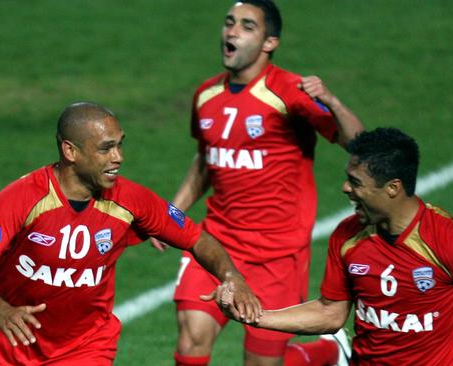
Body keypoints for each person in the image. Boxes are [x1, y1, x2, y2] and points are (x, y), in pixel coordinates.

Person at [0, 102, 262, 365]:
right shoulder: (24, 198)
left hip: (87, 346)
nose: (118, 157)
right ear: (70, 151)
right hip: (13, 348)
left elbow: (197, 238)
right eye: (106, 148)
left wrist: (232, 275)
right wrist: (1, 310)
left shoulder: (131, 200)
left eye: (120, 144)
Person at [150, 1, 364, 365]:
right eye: (230, 23)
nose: (232, 31)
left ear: (270, 43)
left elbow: (358, 144)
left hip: (278, 254)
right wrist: (173, 212)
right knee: (191, 338)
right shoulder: (206, 94)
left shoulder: (290, 91)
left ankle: (328, 351)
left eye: (247, 26)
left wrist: (332, 101)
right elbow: (206, 160)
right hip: (216, 242)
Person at [219, 127, 453, 365]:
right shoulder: (348, 236)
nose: (346, 188)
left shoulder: (451, 242)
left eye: (356, 182)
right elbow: (331, 314)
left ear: (392, 188)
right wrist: (253, 316)